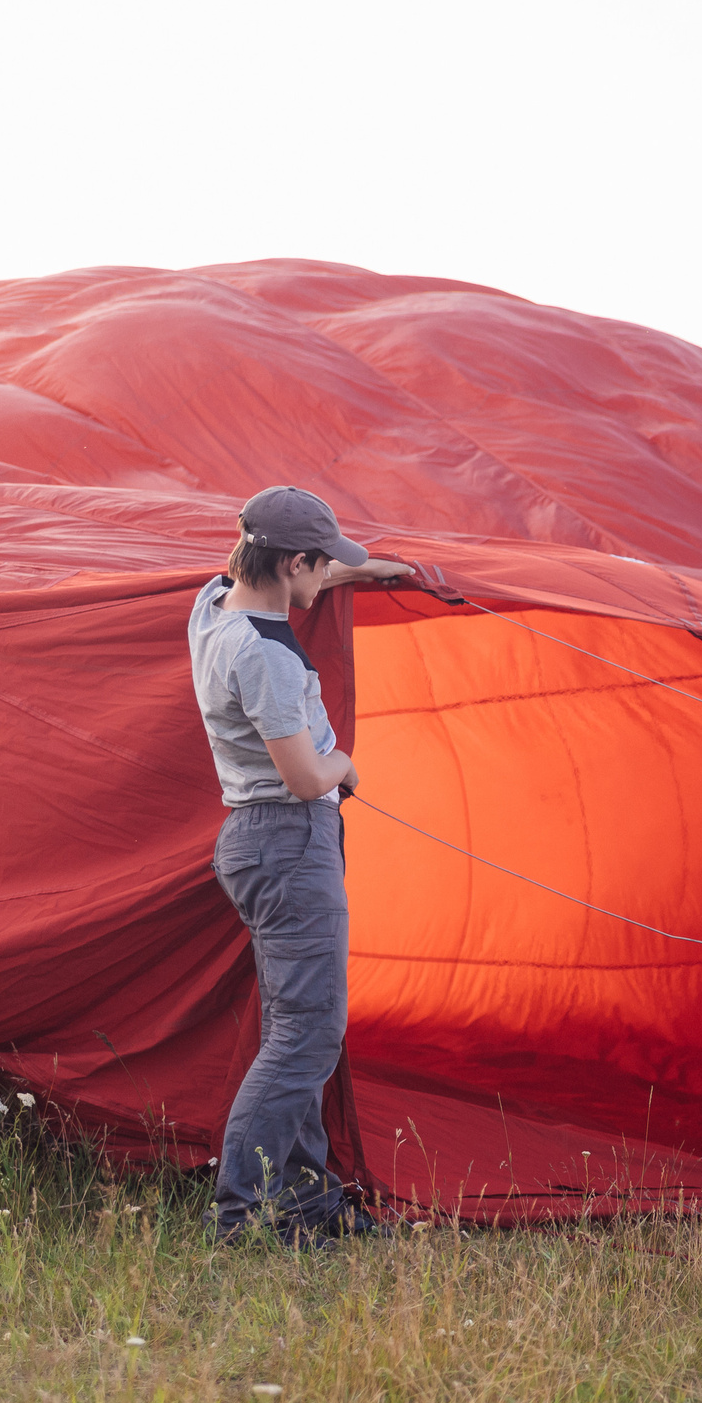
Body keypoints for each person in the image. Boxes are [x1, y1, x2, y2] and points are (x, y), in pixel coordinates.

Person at [189, 486, 411, 1248]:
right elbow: (307, 778)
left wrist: (360, 571)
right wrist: (346, 761)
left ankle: (307, 1203)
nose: (326, 583)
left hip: (256, 843)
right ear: (291, 563)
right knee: (307, 1037)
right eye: (321, 568)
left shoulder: (212, 606)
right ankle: (240, 1216)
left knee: (296, 1031)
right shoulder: (266, 658)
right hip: (290, 839)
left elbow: (258, 573)